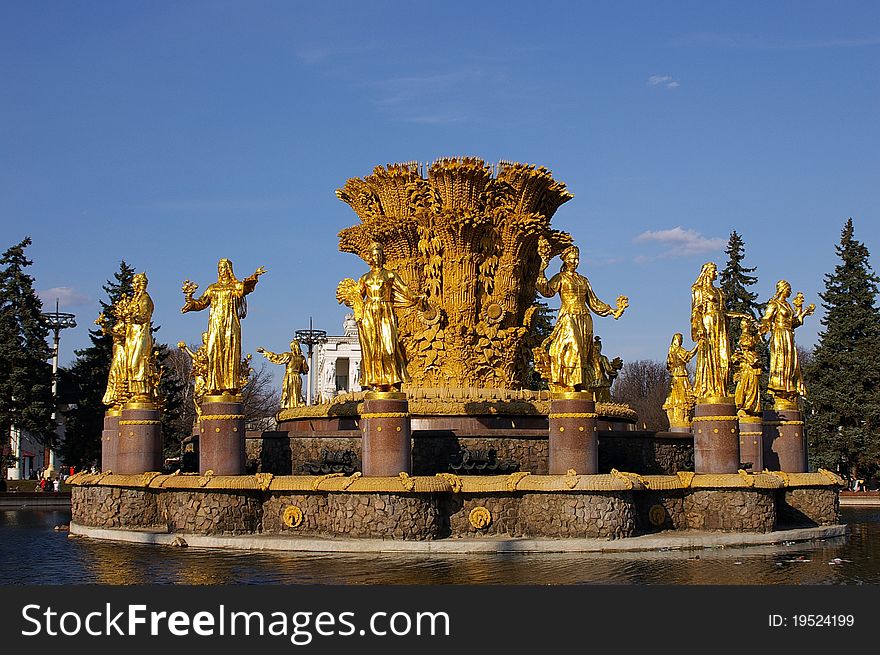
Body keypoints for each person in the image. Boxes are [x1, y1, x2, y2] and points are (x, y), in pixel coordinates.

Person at [534, 244, 628, 392]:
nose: (575, 262)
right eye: (572, 259)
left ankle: (581, 384)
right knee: (574, 347)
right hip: (568, 316)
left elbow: (594, 302)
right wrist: (541, 270)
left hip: (585, 318)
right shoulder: (561, 278)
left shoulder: (583, 280)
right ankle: (570, 382)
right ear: (565, 260)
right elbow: (547, 291)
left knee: (585, 352)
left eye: (577, 259)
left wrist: (611, 310)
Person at [337, 242, 427, 392]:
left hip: (385, 310)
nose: (377, 257)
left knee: (389, 346)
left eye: (379, 254)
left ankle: (392, 381)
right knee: (373, 348)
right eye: (374, 255)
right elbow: (357, 296)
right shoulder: (364, 278)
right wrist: (349, 297)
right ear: (370, 258)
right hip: (369, 313)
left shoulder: (390, 274)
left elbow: (404, 289)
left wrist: (416, 297)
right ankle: (378, 383)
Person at [181, 259, 265, 396]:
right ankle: (214, 385)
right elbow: (201, 303)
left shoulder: (235, 287)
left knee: (229, 353)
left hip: (231, 324)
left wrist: (254, 276)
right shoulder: (212, 288)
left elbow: (246, 288)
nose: (221, 270)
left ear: (229, 269)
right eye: (219, 268)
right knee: (213, 352)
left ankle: (228, 387)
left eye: (223, 267)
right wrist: (189, 298)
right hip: (215, 325)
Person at [690, 262, 749, 399]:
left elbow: (725, 312)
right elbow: (696, 312)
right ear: (706, 272)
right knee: (709, 356)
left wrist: (740, 315)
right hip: (708, 323)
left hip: (721, 325)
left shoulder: (719, 291)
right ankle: (710, 389)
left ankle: (721, 389)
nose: (716, 273)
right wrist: (699, 328)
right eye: (713, 271)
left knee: (725, 358)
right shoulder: (699, 290)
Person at [759, 280, 815, 408]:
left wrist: (802, 310)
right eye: (788, 289)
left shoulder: (788, 306)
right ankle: (779, 387)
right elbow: (766, 318)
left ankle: (789, 387)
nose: (790, 292)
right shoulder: (774, 304)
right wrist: (761, 330)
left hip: (789, 335)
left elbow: (794, 323)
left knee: (791, 363)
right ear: (782, 289)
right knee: (781, 361)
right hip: (779, 335)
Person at [257, 340, 309, 409]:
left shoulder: (289, 355)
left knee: (288, 391)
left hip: (289, 376)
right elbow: (306, 369)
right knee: (296, 393)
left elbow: (277, 358)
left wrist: (265, 352)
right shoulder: (302, 358)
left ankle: (289, 406)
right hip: (297, 377)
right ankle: (296, 405)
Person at [662, 332, 698, 425]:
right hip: (681, 376)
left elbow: (668, 365)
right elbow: (689, 355)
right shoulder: (679, 350)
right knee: (683, 397)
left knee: (675, 398)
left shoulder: (671, 350)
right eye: (680, 339)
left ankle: (677, 419)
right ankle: (682, 418)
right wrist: (698, 346)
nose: (681, 341)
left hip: (673, 377)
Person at [732, 319, 763, 417]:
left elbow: (753, 343)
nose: (747, 325)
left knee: (753, 387)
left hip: (752, 365)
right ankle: (742, 407)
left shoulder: (750, 336)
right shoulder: (744, 337)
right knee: (744, 386)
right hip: (746, 365)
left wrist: (759, 333)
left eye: (748, 323)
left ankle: (750, 407)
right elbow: (748, 344)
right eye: (745, 324)